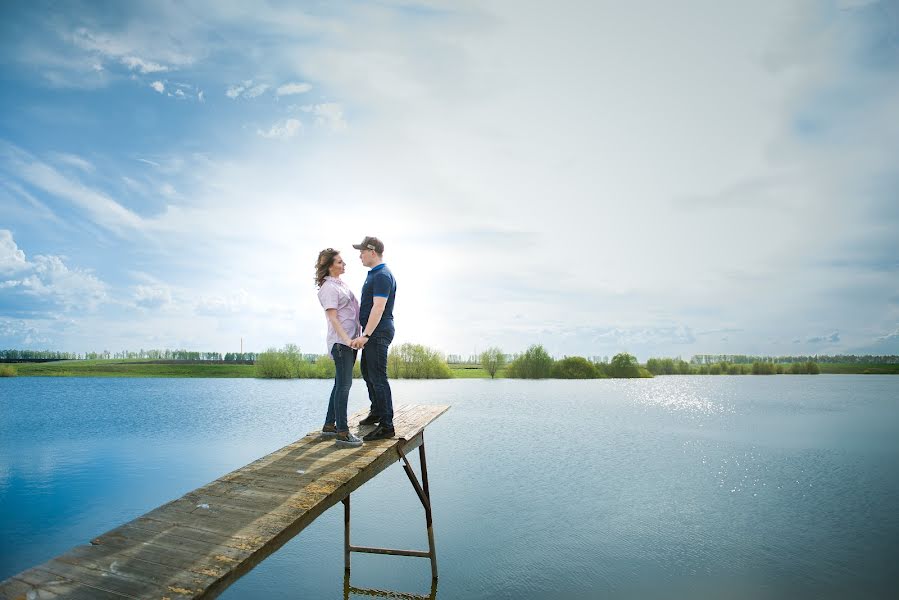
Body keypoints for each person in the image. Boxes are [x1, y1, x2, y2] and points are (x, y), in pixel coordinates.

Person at [350, 236, 397, 441]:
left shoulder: (382, 275)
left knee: (378, 377)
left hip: (377, 332)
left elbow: (378, 307)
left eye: (361, 251)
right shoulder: (375, 274)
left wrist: (366, 335)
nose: (359, 255)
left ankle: (387, 426)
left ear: (372, 251)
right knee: (368, 373)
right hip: (374, 332)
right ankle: (377, 410)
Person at [315, 248, 363, 448]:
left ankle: (329, 425)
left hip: (350, 342)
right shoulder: (328, 288)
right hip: (342, 343)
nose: (344, 265)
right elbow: (333, 318)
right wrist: (347, 340)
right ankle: (342, 432)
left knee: (339, 384)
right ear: (330, 265)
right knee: (344, 386)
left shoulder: (340, 284)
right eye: (340, 262)